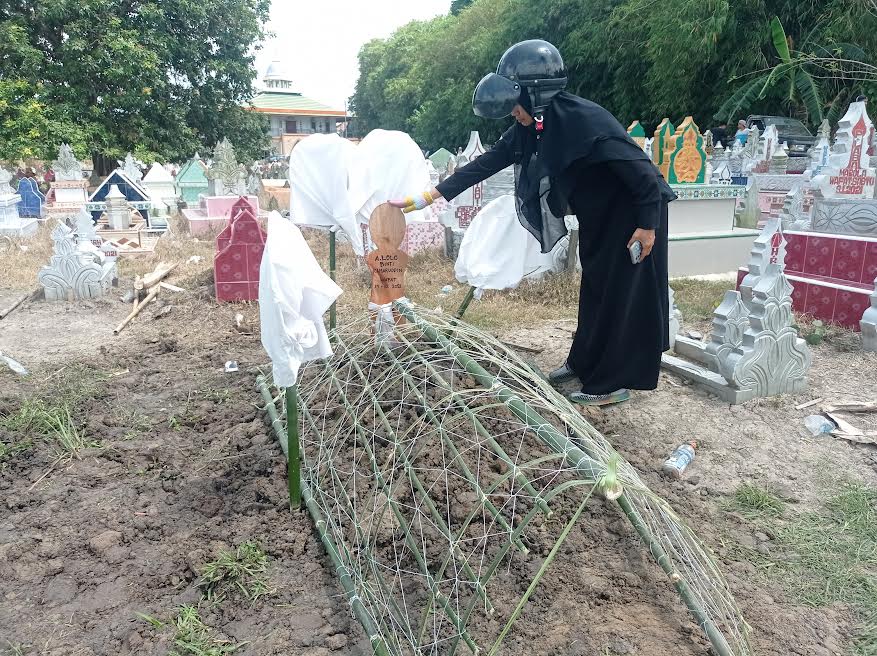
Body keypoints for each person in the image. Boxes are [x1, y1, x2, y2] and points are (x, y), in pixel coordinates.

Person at [390, 40, 675, 406]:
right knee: (595, 291)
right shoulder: (533, 126)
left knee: (621, 296)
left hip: (633, 215)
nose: (513, 114)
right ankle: (583, 363)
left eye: (515, 104)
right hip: (599, 216)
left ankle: (611, 382)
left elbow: (642, 173)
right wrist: (429, 196)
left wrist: (647, 225)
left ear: (535, 93)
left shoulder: (583, 120)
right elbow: (487, 162)